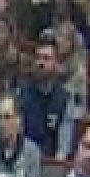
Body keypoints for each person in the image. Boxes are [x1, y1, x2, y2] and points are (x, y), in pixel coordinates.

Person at [16, 32, 74, 160]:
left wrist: (56, 164)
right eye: (38, 58)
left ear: (56, 63)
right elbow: (16, 137)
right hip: (23, 159)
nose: (40, 63)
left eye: (46, 58)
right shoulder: (21, 93)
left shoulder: (65, 98)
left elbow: (63, 146)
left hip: (50, 161)